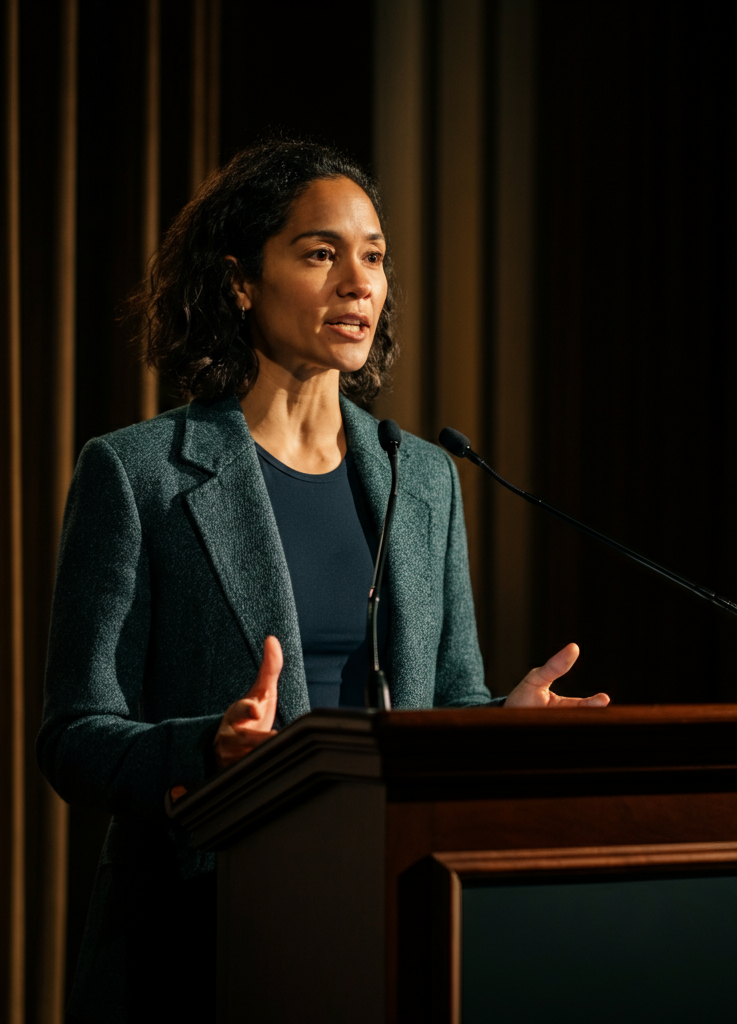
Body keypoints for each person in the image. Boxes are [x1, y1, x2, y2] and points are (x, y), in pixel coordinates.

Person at [37, 137, 609, 1022]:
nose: (359, 283)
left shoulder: (420, 479)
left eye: (374, 258)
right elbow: (75, 736)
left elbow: (445, 701)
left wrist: (501, 728)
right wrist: (206, 749)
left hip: (393, 918)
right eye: (320, 253)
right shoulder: (138, 474)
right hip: (203, 933)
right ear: (238, 281)